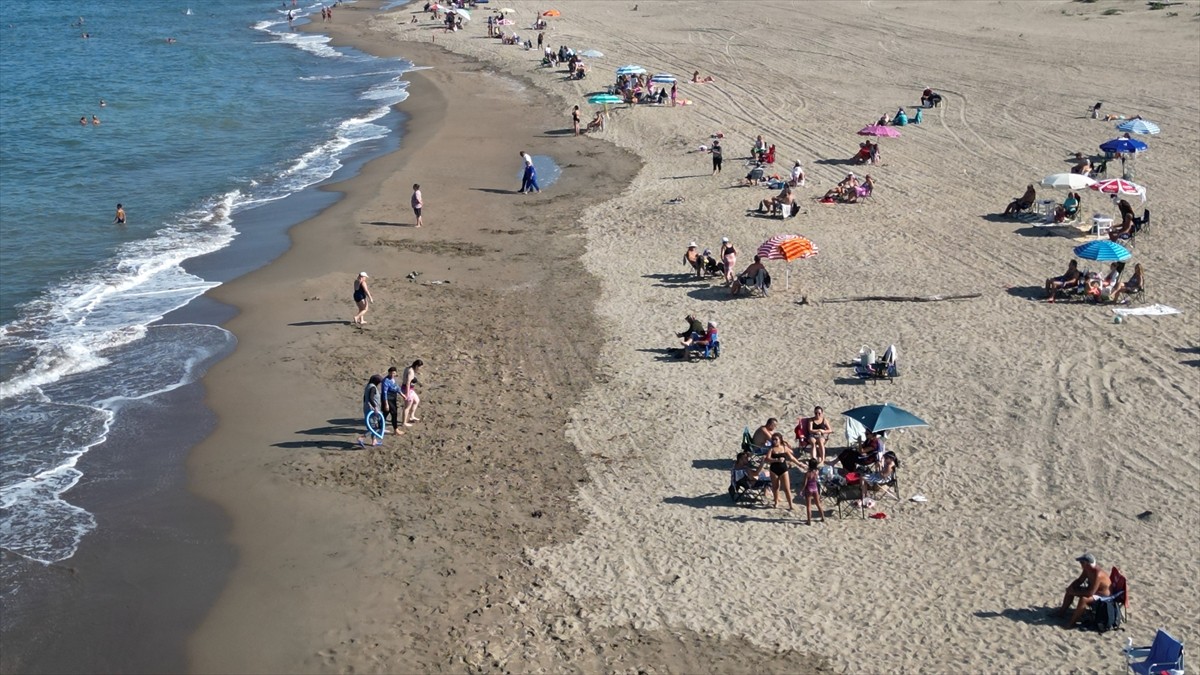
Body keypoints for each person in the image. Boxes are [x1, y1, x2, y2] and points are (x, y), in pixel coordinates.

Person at [1058, 553, 1112, 628]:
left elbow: (1091, 592)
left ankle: (1071, 623)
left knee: (1084, 599)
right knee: (1071, 590)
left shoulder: (1098, 574)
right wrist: (1071, 587)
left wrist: (1074, 592)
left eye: (1081, 563)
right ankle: (1061, 613)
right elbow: (1080, 580)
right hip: (1094, 591)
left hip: (1103, 595)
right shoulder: (1087, 570)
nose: (1080, 564)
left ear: (1086, 564)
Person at [765, 433, 804, 509]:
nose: (774, 441)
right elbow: (767, 459)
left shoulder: (784, 448)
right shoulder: (771, 449)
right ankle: (776, 502)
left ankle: (790, 504)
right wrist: (776, 460)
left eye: (776, 439)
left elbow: (792, 458)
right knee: (775, 487)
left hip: (783, 470)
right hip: (774, 470)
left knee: (787, 489)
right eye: (773, 439)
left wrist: (799, 464)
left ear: (780, 440)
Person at [356, 374, 385, 448]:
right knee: (374, 427)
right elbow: (371, 398)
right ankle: (361, 438)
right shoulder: (373, 388)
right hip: (372, 410)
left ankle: (374, 441)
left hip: (367, 409)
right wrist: (375, 407)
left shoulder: (368, 386)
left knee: (374, 425)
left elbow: (365, 398)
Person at [800, 459, 825, 525]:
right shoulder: (817, 471)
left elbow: (805, 483)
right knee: (818, 504)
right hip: (815, 488)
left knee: (808, 506)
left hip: (809, 489)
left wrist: (802, 490)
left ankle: (809, 521)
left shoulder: (807, 473)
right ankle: (822, 517)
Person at [401, 359, 423, 427]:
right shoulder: (411, 372)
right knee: (407, 406)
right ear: (416, 366)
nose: (420, 369)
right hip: (407, 390)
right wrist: (407, 395)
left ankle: (412, 416)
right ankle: (404, 422)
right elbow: (408, 383)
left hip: (410, 389)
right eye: (420, 367)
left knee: (416, 400)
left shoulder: (408, 368)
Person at [381, 367, 403, 435]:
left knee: (385, 413)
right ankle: (395, 429)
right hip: (388, 399)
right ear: (389, 373)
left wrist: (402, 394)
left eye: (394, 373)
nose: (392, 374)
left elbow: (397, 388)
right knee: (394, 413)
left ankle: (381, 427)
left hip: (393, 398)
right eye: (391, 373)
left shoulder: (393, 379)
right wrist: (386, 403)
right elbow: (384, 393)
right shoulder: (386, 380)